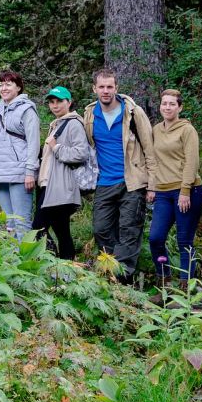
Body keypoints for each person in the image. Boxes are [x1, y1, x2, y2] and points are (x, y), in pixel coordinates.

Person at [82, 69, 156, 282]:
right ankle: (112, 265)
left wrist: (152, 184)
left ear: (116, 88)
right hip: (104, 182)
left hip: (131, 181)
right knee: (100, 229)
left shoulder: (132, 112)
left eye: (110, 87)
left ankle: (122, 278)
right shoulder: (89, 114)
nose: (106, 91)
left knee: (129, 229)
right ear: (94, 89)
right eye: (101, 87)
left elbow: (149, 149)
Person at [147, 89, 202, 284]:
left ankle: (186, 287)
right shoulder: (156, 130)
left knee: (184, 241)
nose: (167, 107)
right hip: (163, 192)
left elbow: (192, 161)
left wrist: (185, 190)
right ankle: (164, 283)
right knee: (155, 238)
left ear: (180, 107)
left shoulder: (187, 130)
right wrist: (152, 187)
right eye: (164, 103)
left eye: (172, 104)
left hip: (187, 191)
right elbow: (155, 160)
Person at [32, 86, 88, 259]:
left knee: (37, 229)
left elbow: (81, 153)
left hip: (60, 187)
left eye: (59, 101)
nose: (55, 105)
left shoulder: (73, 124)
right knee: (62, 231)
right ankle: (66, 268)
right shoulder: (58, 124)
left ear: (69, 102)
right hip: (49, 185)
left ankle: (54, 263)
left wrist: (56, 147)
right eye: (51, 102)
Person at [0, 71, 39, 240]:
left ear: (18, 87)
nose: (4, 88)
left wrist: (30, 172)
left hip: (20, 174)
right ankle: (13, 263)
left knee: (22, 222)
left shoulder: (27, 109)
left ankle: (27, 263)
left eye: (8, 84)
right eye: (1, 84)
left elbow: (33, 143)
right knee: (10, 224)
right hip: (1, 174)